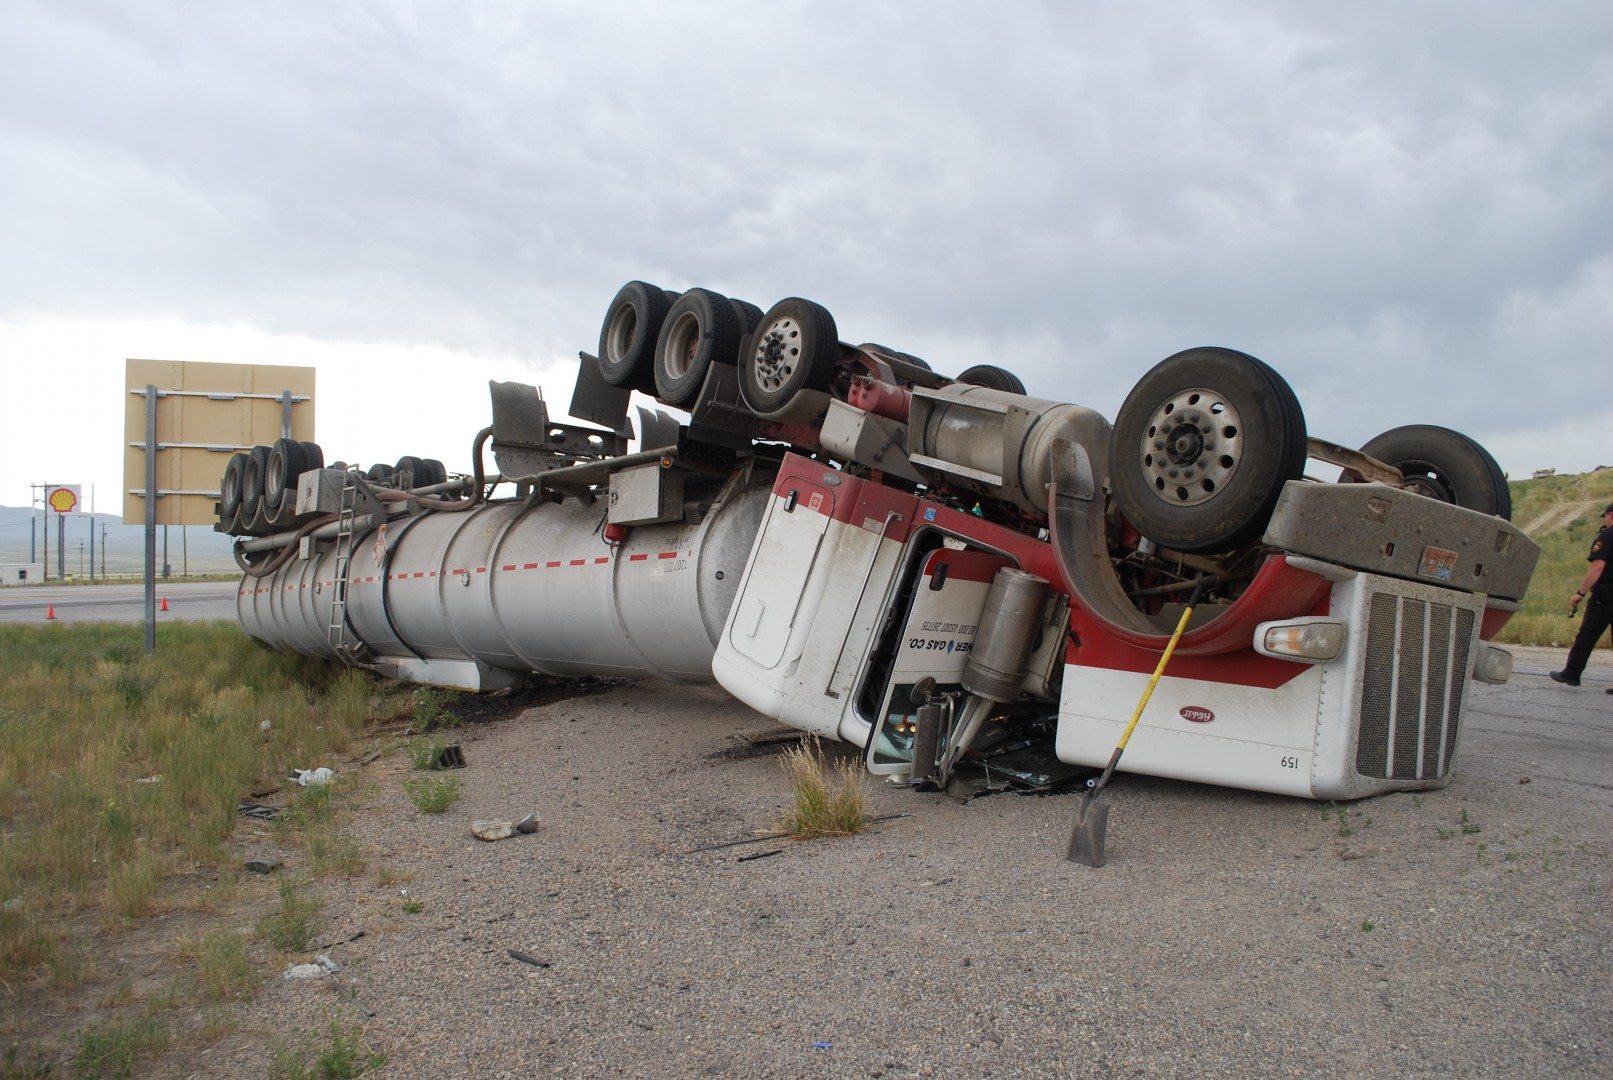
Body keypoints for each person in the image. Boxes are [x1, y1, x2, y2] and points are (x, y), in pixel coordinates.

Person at [1550, 501, 1613, 690]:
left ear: (1610, 515)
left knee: (1587, 634)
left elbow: (1597, 566)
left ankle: (1571, 673)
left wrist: (1580, 593)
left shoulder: (1607, 535)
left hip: (1606, 595)